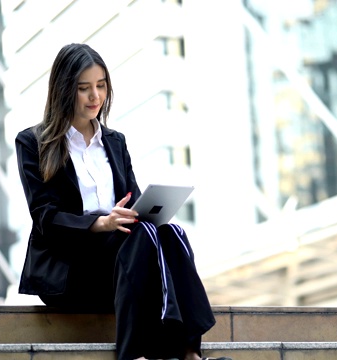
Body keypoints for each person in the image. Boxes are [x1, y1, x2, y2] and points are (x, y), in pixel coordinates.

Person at [15, 43, 230, 360]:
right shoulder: (33, 142)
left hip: (119, 265)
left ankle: (189, 352)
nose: (95, 97)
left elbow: (133, 201)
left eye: (101, 86)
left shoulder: (114, 142)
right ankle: (132, 355)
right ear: (64, 90)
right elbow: (45, 218)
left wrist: (145, 211)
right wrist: (100, 223)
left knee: (171, 233)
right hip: (69, 269)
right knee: (141, 236)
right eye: (84, 88)